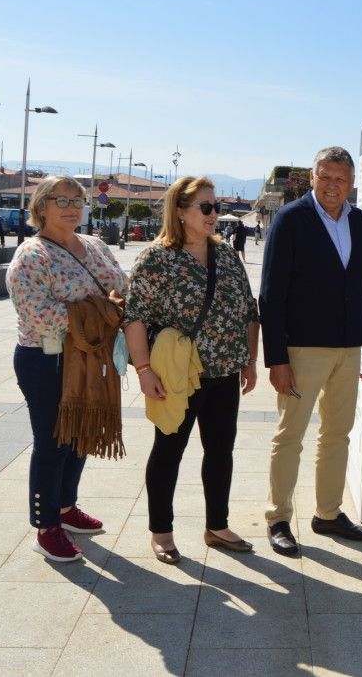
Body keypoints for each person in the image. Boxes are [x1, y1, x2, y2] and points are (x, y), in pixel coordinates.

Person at [124, 176, 260, 564]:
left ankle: (217, 525)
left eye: (216, 206)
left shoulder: (227, 255)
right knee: (169, 451)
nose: (214, 214)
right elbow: (134, 316)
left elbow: (249, 311)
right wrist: (144, 370)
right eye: (206, 207)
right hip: (177, 376)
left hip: (223, 374)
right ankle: (162, 532)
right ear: (181, 212)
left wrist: (249, 360)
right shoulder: (158, 258)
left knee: (221, 452)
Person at [259, 146, 362, 557]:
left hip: (348, 349)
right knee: (290, 434)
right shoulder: (292, 220)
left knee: (337, 435)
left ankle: (327, 512)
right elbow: (271, 294)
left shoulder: (360, 222)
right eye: (325, 177)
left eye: (340, 179)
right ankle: (278, 517)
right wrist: (276, 358)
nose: (332, 186)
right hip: (302, 349)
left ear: (350, 183)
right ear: (313, 178)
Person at [6, 176, 127, 563]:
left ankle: (65, 506)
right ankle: (46, 526)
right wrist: (101, 310)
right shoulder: (32, 255)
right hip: (46, 359)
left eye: (78, 199)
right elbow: (41, 316)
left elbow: (122, 289)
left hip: (90, 358)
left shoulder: (94, 245)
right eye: (61, 199)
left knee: (80, 435)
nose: (72, 206)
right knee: (52, 441)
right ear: (41, 206)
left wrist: (104, 308)